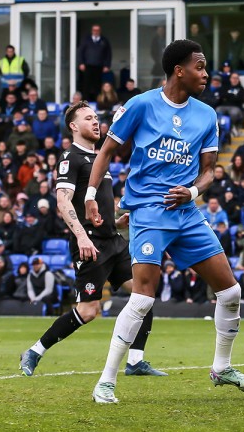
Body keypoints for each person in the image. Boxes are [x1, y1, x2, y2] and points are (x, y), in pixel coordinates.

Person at [84, 39, 244, 404]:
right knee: (142, 298)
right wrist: (90, 195)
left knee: (231, 292)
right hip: (148, 211)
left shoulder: (207, 115)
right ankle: (106, 380)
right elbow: (106, 151)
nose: (206, 74)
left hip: (187, 213)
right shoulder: (141, 104)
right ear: (179, 71)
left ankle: (222, 367)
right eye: (200, 66)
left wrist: (192, 192)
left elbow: (210, 171)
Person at [20, 102, 166, 377]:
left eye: (96, 117)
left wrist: (116, 222)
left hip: (112, 239)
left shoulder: (99, 158)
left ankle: (135, 360)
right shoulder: (71, 157)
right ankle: (35, 351)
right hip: (90, 244)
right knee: (88, 311)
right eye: (88, 118)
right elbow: (63, 201)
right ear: (74, 126)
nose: (96, 122)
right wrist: (81, 237)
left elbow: (97, 203)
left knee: (144, 293)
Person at [77, 25, 112, 99]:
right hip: (87, 66)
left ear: (100, 31)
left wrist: (107, 65)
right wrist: (81, 63)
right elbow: (80, 52)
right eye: (94, 30)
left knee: (98, 85)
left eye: (97, 30)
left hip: (99, 66)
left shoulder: (104, 41)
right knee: (86, 84)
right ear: (92, 31)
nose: (96, 32)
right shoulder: (86, 40)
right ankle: (86, 101)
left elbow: (108, 54)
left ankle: (97, 100)